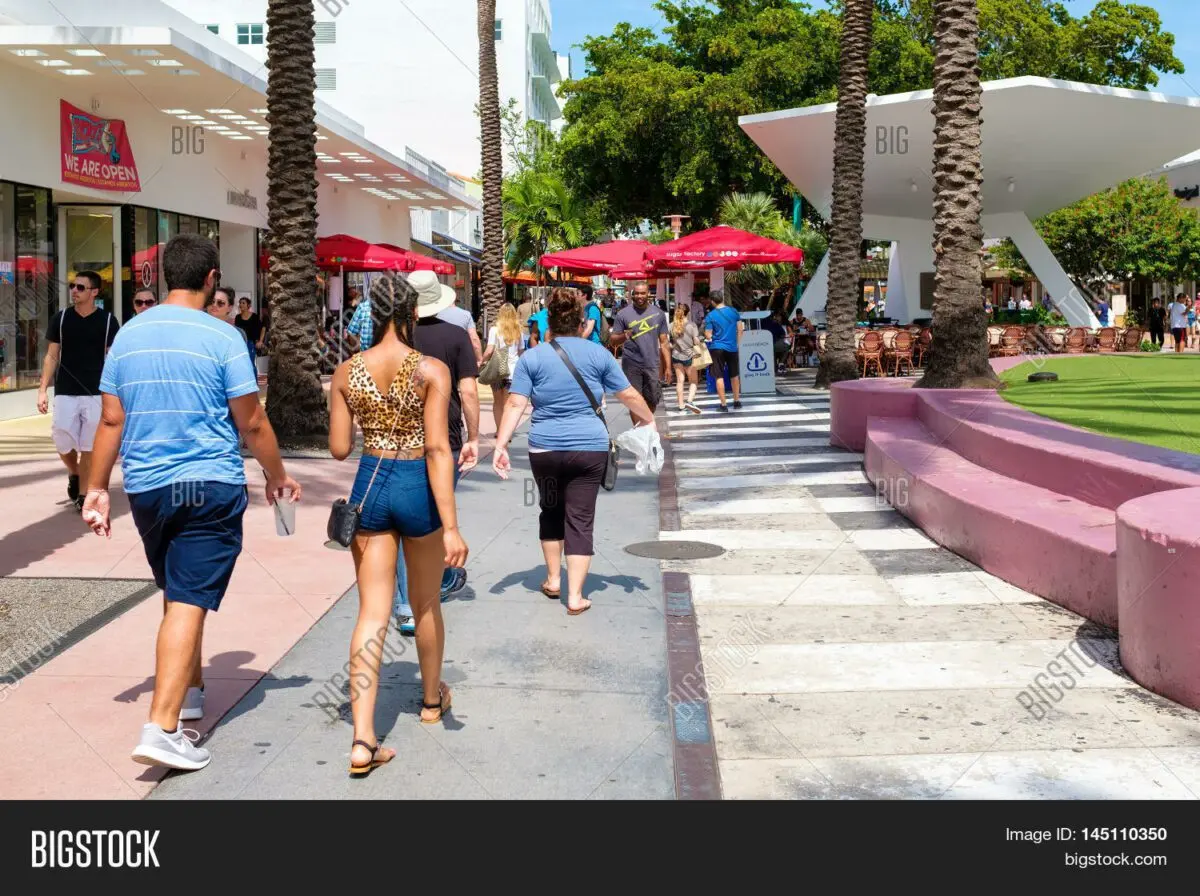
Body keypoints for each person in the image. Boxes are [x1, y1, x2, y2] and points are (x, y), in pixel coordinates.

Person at [84, 233, 301, 772]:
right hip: (208, 484)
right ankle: (162, 727)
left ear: (162, 280)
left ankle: (193, 687)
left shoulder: (129, 336)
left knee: (179, 589)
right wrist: (277, 476)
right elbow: (251, 419)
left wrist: (94, 488)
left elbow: (112, 420)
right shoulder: (224, 338)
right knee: (187, 598)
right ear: (210, 281)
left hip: (149, 489)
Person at [328, 273, 467, 776]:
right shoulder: (429, 370)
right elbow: (437, 448)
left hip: (372, 483)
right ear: (412, 314)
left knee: (372, 612)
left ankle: (363, 739)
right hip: (416, 484)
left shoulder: (347, 372)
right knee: (427, 602)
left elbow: (340, 448)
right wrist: (450, 525)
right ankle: (431, 702)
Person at [492, 289, 654, 615]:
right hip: (588, 449)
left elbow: (515, 403)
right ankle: (575, 596)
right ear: (583, 324)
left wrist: (500, 444)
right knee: (580, 519)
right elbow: (629, 395)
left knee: (550, 511)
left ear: (548, 324)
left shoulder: (532, 358)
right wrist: (650, 424)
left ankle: (553, 579)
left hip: (545, 449)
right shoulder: (599, 355)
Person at [387, 271, 478, 635]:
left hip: (398, 438)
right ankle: (425, 592)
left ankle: (406, 603)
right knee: (433, 517)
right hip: (446, 436)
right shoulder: (455, 336)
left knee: (403, 521)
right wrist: (475, 436)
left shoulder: (392, 338)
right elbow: (468, 391)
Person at [37, 270, 120, 513]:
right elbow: (52, 355)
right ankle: (74, 472)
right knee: (61, 437)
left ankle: (83, 495)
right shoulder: (61, 319)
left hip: (96, 392)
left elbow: (113, 358)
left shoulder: (107, 321)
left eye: (81, 287)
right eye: (73, 286)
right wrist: (42, 389)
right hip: (65, 390)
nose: (74, 290)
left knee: (88, 446)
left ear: (95, 292)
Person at [610, 282, 670, 423]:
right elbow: (612, 341)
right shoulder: (623, 314)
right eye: (636, 293)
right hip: (631, 364)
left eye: (642, 293)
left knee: (653, 399)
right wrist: (624, 336)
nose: (639, 296)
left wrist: (668, 367)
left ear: (648, 293)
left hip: (652, 363)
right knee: (634, 400)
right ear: (632, 295)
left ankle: (647, 424)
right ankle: (640, 430)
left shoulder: (658, 314)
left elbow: (664, 342)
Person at [480, 303, 525, 433]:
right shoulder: (518, 330)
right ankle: (507, 433)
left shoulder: (495, 329)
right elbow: (521, 351)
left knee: (497, 403)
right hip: (513, 371)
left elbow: (489, 350)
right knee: (508, 404)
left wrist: (482, 361)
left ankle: (499, 430)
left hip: (498, 370)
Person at [704, 289, 744, 412]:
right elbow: (740, 329)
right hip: (732, 348)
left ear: (712, 301)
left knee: (719, 375)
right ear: (722, 298)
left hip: (717, 348)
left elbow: (708, 335)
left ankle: (723, 405)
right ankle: (736, 401)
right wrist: (736, 343)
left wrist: (709, 336)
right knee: (734, 375)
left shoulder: (710, 315)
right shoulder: (733, 311)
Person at [435, 287, 484, 364]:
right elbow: (474, 339)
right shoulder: (466, 315)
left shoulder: (436, 315)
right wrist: (479, 358)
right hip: (462, 358)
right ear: (454, 298)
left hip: (440, 358)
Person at [669, 303, 703, 415]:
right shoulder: (692, 325)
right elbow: (696, 341)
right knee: (693, 381)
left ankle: (681, 406)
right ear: (688, 313)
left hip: (676, 355)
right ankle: (689, 401)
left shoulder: (671, 325)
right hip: (689, 355)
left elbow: (669, 343)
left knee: (680, 381)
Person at [234, 297, 266, 369]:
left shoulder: (254, 316)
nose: (241, 304)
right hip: (240, 344)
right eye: (240, 303)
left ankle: (254, 380)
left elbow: (263, 328)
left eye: (243, 303)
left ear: (248, 305)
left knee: (251, 364)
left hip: (251, 343)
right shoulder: (238, 317)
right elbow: (237, 331)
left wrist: (260, 341)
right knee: (241, 366)